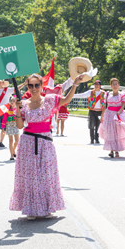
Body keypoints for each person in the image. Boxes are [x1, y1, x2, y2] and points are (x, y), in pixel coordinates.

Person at [10, 73, 83, 220]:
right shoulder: (23, 103)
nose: (34, 88)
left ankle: (48, 207)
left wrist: (74, 84)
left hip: (45, 142)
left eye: (37, 85)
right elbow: (19, 126)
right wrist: (17, 109)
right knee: (30, 176)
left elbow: (66, 99)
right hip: (28, 143)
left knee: (46, 175)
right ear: (28, 87)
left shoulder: (50, 100)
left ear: (42, 86)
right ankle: (30, 209)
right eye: (31, 85)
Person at [98, 78, 125, 158]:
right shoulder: (107, 94)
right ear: (111, 86)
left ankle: (117, 151)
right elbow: (105, 106)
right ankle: (111, 151)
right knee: (110, 132)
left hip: (118, 115)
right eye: (113, 84)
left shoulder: (122, 94)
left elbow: (123, 104)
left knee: (117, 133)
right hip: (109, 115)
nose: (115, 86)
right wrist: (102, 115)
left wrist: (119, 111)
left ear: (118, 85)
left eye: (116, 84)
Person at [2, 96, 20, 161]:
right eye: (11, 101)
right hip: (9, 124)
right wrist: (3, 127)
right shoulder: (7, 109)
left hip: (15, 125)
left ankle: (13, 150)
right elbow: (4, 118)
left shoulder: (17, 109)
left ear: (15, 102)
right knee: (10, 140)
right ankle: (11, 155)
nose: (12, 102)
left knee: (17, 140)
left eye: (13, 101)